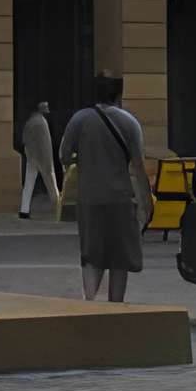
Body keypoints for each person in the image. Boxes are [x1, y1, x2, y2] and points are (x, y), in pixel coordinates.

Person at [60, 73, 149, 303]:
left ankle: (90, 304)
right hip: (120, 198)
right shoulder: (130, 122)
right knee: (120, 258)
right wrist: (146, 203)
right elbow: (139, 167)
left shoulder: (79, 119)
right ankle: (115, 307)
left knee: (91, 255)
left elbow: (63, 156)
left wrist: (84, 157)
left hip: (89, 198)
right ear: (119, 94)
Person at [17, 100, 59, 221]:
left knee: (28, 184)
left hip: (31, 155)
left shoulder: (30, 122)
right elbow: (46, 144)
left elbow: (24, 140)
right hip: (43, 157)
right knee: (51, 183)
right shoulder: (42, 122)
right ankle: (58, 208)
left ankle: (24, 210)